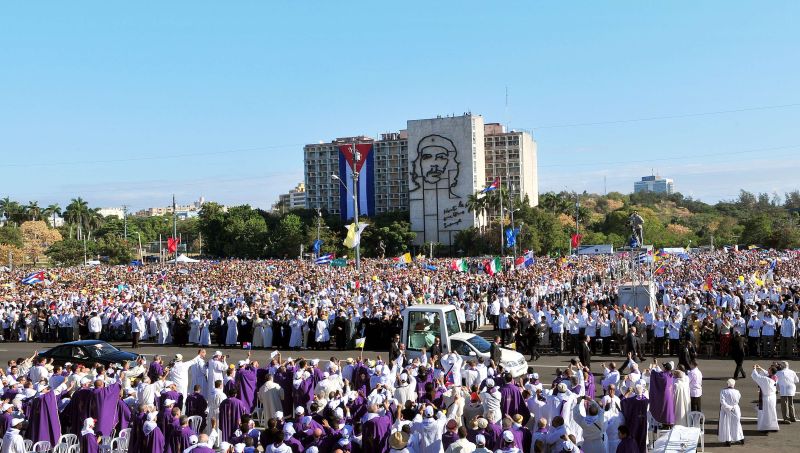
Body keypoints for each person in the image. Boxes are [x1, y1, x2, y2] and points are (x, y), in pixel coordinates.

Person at [751, 364, 779, 432]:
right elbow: (767, 373)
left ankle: (765, 427)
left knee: (765, 413)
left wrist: (754, 369)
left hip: (766, 398)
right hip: (773, 397)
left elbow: (756, 376)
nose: (767, 370)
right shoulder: (775, 377)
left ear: (771, 371)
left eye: (769, 369)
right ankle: (774, 427)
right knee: (772, 412)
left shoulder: (766, 379)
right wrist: (760, 368)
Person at [718, 379, 744, 446]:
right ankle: (740, 438)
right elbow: (738, 399)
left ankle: (728, 440)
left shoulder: (723, 391)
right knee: (737, 424)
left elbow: (722, 401)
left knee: (727, 425)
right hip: (735, 409)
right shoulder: (737, 392)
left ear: (727, 384)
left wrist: (729, 407)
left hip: (726, 410)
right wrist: (732, 406)